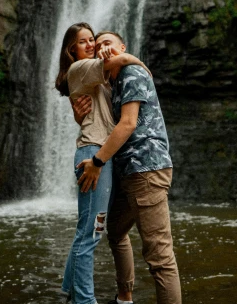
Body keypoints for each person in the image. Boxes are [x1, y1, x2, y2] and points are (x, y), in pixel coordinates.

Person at [75, 31, 182, 304]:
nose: (102, 48)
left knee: (159, 256)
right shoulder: (111, 84)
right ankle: (124, 298)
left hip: (146, 169)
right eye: (97, 46)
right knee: (116, 231)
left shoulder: (131, 73)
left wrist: (97, 161)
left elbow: (128, 124)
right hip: (127, 173)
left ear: (122, 47)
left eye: (107, 43)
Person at [55, 22, 150, 304]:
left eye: (92, 39)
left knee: (87, 229)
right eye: (83, 42)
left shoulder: (96, 78)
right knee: (91, 234)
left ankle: (68, 291)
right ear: (72, 50)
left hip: (100, 153)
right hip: (93, 155)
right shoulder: (79, 68)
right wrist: (141, 65)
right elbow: (119, 59)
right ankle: (85, 301)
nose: (91, 45)